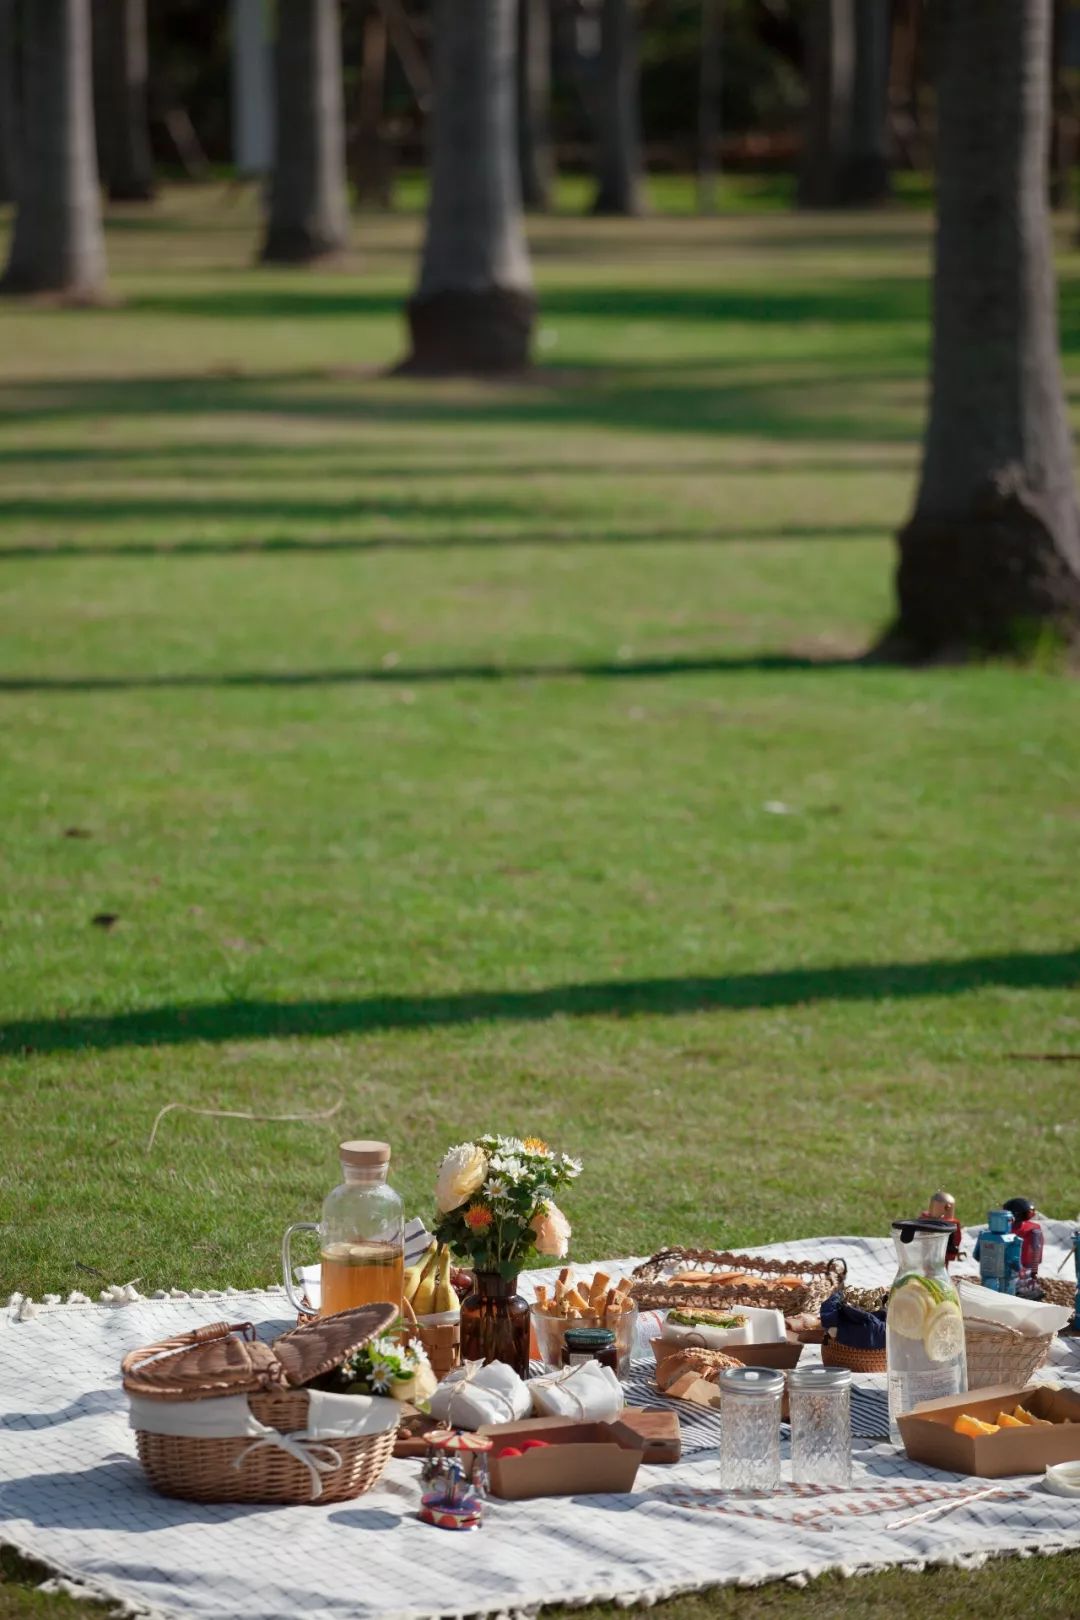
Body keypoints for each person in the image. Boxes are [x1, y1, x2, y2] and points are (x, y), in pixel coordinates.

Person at [1002, 1197, 1044, 1283]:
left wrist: (1034, 1271)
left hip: (1024, 1267)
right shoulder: (1034, 1228)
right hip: (1011, 1267)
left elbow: (1036, 1250)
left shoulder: (1033, 1229)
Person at [920, 1189, 963, 1265]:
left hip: (945, 1251)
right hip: (928, 1252)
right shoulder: (926, 1220)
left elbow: (956, 1238)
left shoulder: (953, 1224)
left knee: (942, 1266)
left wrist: (954, 1248)